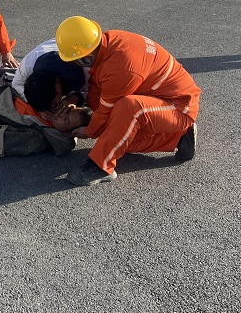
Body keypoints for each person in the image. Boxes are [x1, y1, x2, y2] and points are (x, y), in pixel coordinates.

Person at [55, 16, 202, 186]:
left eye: (75, 61)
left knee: (129, 109)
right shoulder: (107, 42)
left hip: (179, 107)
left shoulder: (121, 67)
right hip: (160, 99)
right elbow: (98, 87)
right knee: (117, 139)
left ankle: (101, 166)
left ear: (85, 57)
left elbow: (105, 111)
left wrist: (89, 131)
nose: (76, 64)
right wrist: (89, 113)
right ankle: (179, 138)